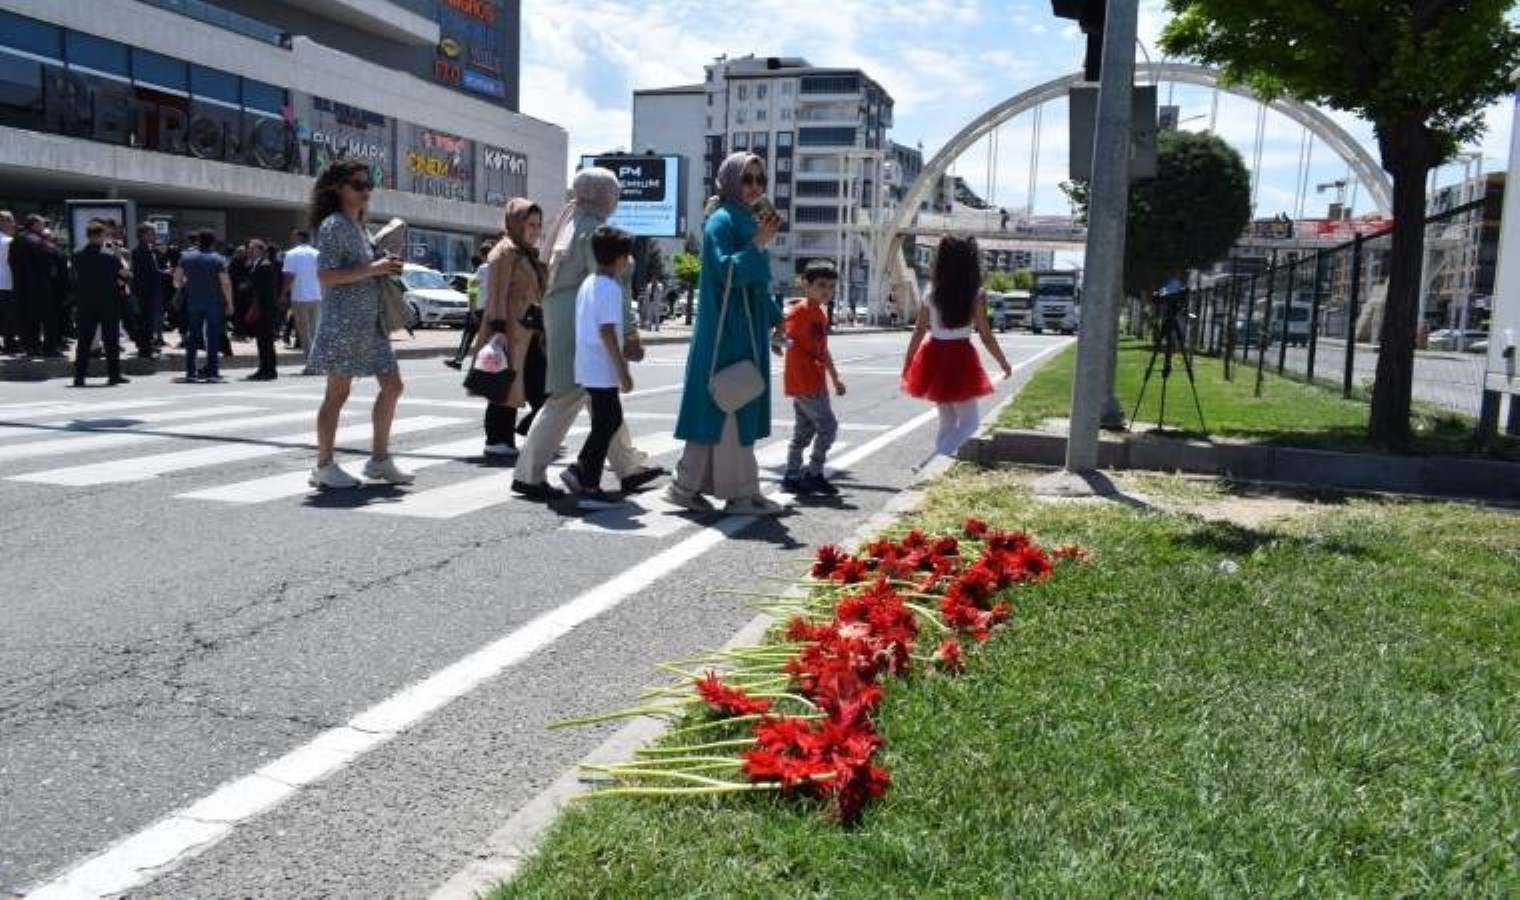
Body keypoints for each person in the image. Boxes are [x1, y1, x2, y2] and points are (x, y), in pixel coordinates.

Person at [511, 168, 664, 502]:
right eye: (614, 193)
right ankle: (528, 473)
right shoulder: (594, 228)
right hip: (583, 325)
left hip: (564, 316)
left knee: (601, 399)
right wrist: (630, 334)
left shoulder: (569, 219)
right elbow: (614, 282)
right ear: (602, 195)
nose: (616, 199)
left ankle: (628, 467)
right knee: (568, 396)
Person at [665, 152, 786, 516]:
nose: (754, 187)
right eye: (747, 179)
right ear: (731, 180)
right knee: (732, 403)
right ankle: (741, 493)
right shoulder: (721, 220)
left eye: (759, 180)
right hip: (727, 332)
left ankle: (686, 487)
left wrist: (776, 319)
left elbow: (757, 286)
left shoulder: (745, 219)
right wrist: (758, 245)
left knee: (719, 405)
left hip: (742, 330)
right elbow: (725, 272)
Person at [306, 159, 413, 489]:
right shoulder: (333, 225)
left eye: (369, 185)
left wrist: (385, 266)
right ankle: (323, 465)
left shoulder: (359, 226)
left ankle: (379, 460)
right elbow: (324, 275)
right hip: (343, 323)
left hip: (370, 322)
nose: (366, 191)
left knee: (393, 385)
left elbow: (367, 269)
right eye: (358, 185)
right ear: (337, 188)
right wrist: (374, 269)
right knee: (337, 393)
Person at [901, 235, 1012, 471]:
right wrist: (1003, 362)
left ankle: (933, 470)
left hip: (933, 354)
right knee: (971, 422)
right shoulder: (975, 294)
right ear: (970, 264)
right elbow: (985, 334)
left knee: (948, 420)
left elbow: (919, 330)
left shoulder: (931, 291)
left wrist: (909, 361)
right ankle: (930, 464)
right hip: (960, 356)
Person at [565, 226, 638, 509]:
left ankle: (582, 469)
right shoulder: (610, 288)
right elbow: (607, 331)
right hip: (601, 366)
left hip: (588, 364)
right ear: (620, 259)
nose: (629, 260)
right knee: (606, 422)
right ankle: (589, 482)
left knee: (607, 421)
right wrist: (623, 372)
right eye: (627, 255)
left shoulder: (589, 282)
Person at [472, 201, 544, 457]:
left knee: (538, 386)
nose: (535, 230)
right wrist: (499, 329)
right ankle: (497, 439)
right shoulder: (505, 252)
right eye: (530, 224)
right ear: (516, 223)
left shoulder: (526, 253)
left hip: (530, 330)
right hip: (510, 329)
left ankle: (524, 432)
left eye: (538, 225)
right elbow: (496, 294)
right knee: (504, 384)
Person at [780, 259, 847, 497]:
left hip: (813, 380)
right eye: (821, 285)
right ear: (806, 285)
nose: (826, 291)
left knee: (804, 431)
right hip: (803, 380)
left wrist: (835, 377)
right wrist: (783, 346)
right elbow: (781, 336)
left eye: (830, 286)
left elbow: (823, 349)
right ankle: (814, 473)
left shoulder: (820, 314)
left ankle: (792, 475)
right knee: (828, 427)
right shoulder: (799, 311)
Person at [69, 220, 129, 386]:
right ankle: (114, 375)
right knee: (111, 341)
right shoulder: (108, 256)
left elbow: (73, 278)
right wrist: (119, 255)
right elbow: (125, 275)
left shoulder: (77, 254)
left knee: (84, 341)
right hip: (108, 303)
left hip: (85, 303)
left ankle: (79, 377)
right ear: (101, 235)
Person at [173, 230, 234, 383]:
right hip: (214, 302)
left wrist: (188, 284)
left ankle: (190, 372)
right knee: (212, 337)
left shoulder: (185, 257)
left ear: (198, 241)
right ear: (213, 242)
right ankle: (212, 372)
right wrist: (230, 303)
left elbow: (176, 281)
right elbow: (225, 283)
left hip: (193, 301)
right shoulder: (218, 259)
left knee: (192, 336)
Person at [9, 214, 62, 357]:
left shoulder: (16, 240)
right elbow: (48, 263)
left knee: (28, 318)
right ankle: (50, 347)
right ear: (34, 225)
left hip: (21, 285)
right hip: (41, 286)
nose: (44, 227)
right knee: (49, 317)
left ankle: (31, 346)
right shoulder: (38, 241)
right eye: (42, 224)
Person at [282, 228, 321, 365]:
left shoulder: (291, 254)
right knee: (314, 330)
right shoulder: (317, 254)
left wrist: (283, 293)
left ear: (298, 238)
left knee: (304, 332)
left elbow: (289, 276)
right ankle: (317, 360)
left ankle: (311, 361)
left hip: (299, 296)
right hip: (316, 295)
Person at [243, 238, 281, 380]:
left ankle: (269, 370)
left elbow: (261, 288)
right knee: (262, 340)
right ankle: (264, 368)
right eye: (249, 249)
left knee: (266, 340)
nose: (250, 251)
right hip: (261, 307)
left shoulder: (264, 265)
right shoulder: (256, 264)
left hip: (265, 308)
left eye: (253, 249)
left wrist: (247, 287)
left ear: (260, 250)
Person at [130, 223, 165, 358]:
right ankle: (145, 349)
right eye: (152, 233)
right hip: (146, 292)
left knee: (148, 321)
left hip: (149, 291)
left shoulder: (148, 249)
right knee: (146, 321)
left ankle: (146, 347)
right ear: (144, 235)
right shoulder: (141, 251)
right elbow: (149, 273)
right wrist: (165, 273)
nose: (155, 235)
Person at [0, 210, 15, 353]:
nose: (14, 223)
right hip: (6, 282)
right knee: (8, 316)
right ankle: (9, 344)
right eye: (11, 220)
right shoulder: (9, 241)